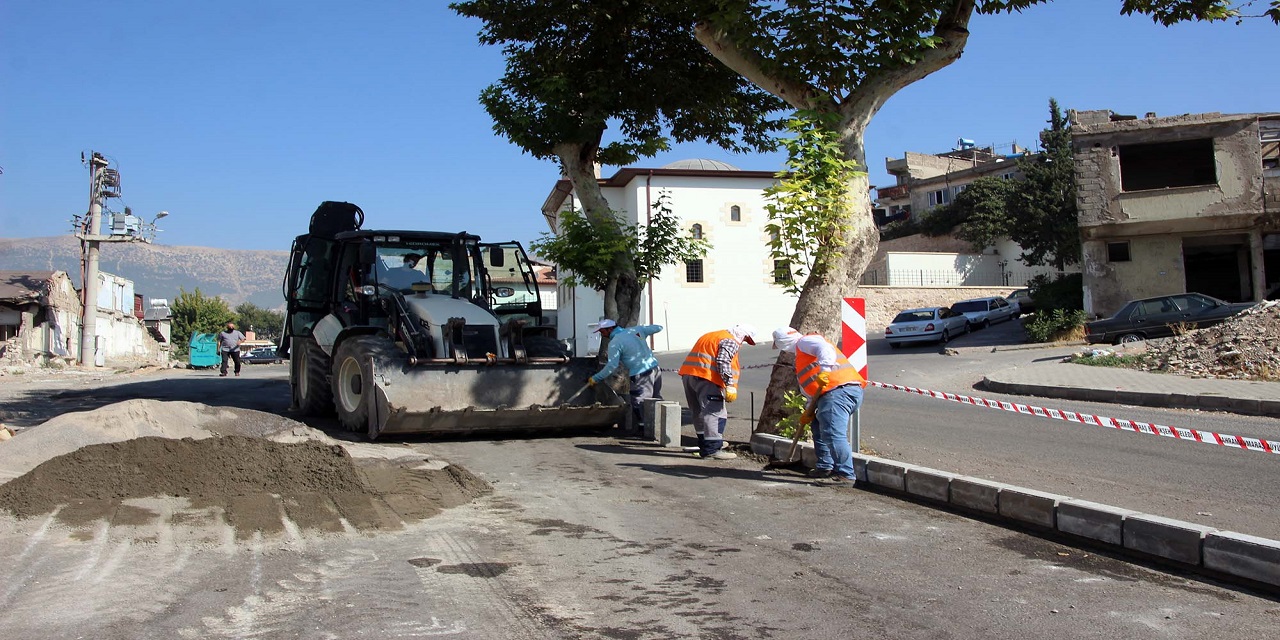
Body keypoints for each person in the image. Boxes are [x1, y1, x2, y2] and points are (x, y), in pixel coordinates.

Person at [771, 327, 867, 487]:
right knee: (817, 427)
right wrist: (809, 410)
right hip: (828, 395)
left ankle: (845, 475)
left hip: (838, 391)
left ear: (783, 341)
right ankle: (825, 467)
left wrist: (825, 370)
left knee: (832, 433)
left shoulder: (805, 342)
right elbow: (810, 388)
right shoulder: (801, 356)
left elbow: (825, 349)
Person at [678, 323, 759, 460]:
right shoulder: (731, 340)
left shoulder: (711, 335)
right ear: (743, 334)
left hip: (689, 375)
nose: (743, 342)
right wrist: (730, 384)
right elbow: (723, 360)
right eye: (745, 339)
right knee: (715, 413)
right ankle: (712, 449)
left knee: (698, 411)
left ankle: (705, 444)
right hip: (708, 380)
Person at [587, 319, 663, 433]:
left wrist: (595, 378)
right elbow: (659, 327)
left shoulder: (615, 342)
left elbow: (611, 366)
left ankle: (644, 430)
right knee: (656, 399)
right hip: (655, 369)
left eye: (603, 332)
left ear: (610, 329)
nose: (602, 335)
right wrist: (642, 332)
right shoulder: (636, 330)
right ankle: (659, 429)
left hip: (640, 374)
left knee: (640, 403)